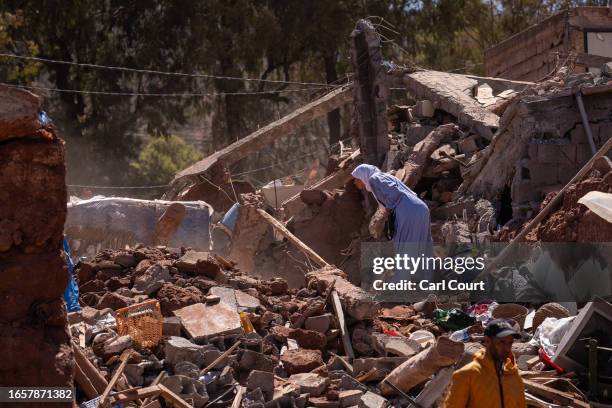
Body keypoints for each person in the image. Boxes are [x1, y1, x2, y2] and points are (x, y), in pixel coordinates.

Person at [351, 164, 433, 281]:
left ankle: (400, 284)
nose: (355, 182)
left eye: (356, 178)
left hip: (408, 211)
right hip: (420, 208)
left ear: (362, 175)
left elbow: (394, 196)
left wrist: (387, 212)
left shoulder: (374, 179)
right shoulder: (382, 177)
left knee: (405, 247)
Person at [444, 319, 526, 408]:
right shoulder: (466, 376)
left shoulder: (514, 377)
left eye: (510, 343)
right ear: (487, 341)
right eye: (501, 342)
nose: (507, 348)